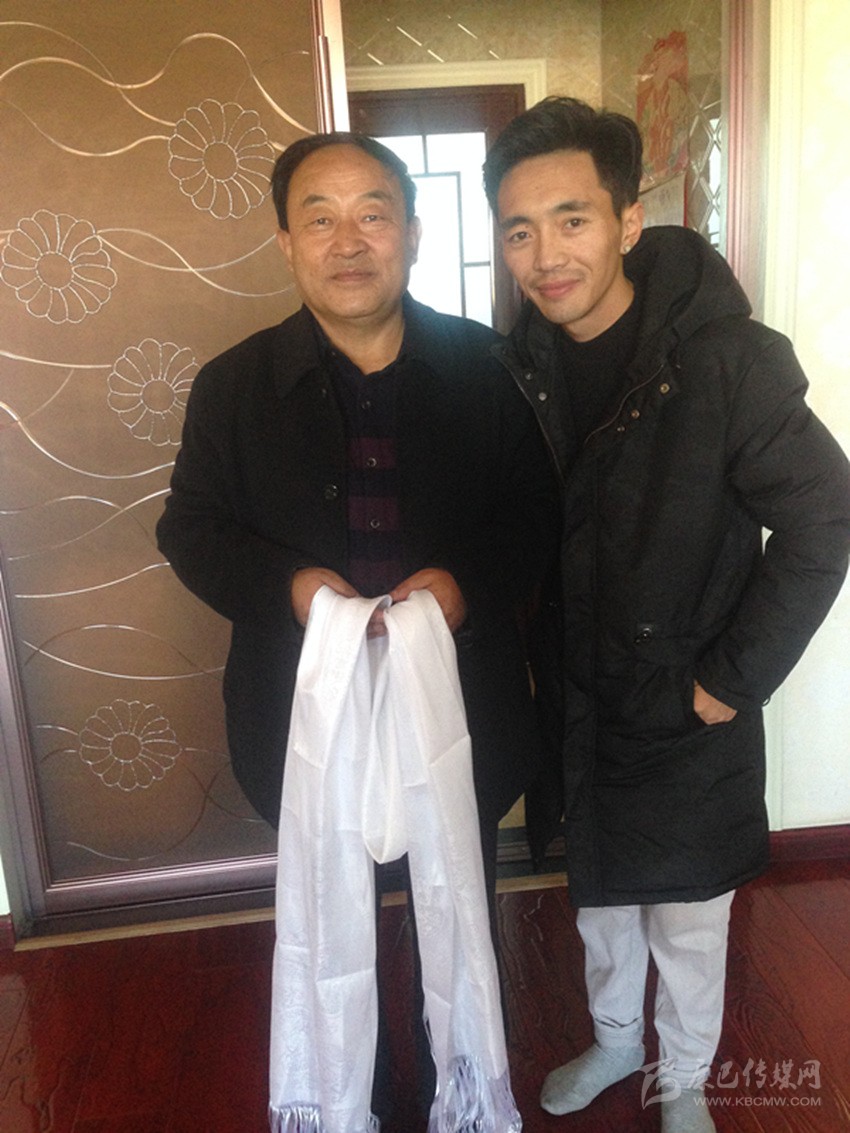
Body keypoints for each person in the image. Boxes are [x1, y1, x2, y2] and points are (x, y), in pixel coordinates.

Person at [156, 131, 557, 1127]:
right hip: (303, 711)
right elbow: (190, 528)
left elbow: (537, 516)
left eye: (373, 214)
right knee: (336, 910)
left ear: (412, 234)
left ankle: (458, 1089)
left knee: (453, 901)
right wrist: (292, 589)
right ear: (286, 241)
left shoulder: (487, 367)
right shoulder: (234, 384)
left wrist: (463, 587)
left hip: (458, 700)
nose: (349, 241)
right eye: (320, 218)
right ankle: (354, 1099)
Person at [482, 97, 850, 1133]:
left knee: (689, 910)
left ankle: (683, 1072)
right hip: (576, 696)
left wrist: (731, 677)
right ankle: (614, 1039)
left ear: (628, 220)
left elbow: (825, 519)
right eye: (520, 230)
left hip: (688, 700)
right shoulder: (519, 366)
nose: (547, 254)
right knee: (599, 894)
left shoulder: (724, 360)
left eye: (572, 219)